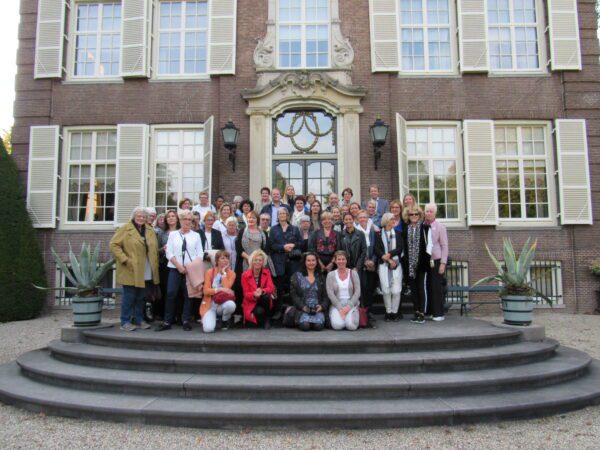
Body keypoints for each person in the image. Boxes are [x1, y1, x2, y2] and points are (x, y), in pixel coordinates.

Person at [109, 207, 160, 331]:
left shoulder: (150, 230)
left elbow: (153, 248)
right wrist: (125, 259)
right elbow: (114, 244)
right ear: (134, 217)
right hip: (130, 267)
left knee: (141, 296)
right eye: (139, 216)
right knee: (129, 296)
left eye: (143, 216)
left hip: (146, 267)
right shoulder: (125, 228)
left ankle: (138, 319)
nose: (141, 218)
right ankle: (125, 321)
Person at [155, 209, 204, 332]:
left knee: (188, 295)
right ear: (180, 220)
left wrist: (190, 266)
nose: (187, 222)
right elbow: (169, 252)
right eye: (184, 219)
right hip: (174, 269)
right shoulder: (173, 235)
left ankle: (186, 321)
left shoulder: (196, 235)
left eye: (189, 219)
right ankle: (167, 321)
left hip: (190, 270)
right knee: (171, 293)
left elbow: (200, 254)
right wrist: (178, 266)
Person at [269, 207, 303, 315]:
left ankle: (294, 311)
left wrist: (293, 245)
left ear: (287, 215)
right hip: (278, 262)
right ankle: (278, 311)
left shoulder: (295, 229)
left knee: (293, 287)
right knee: (278, 287)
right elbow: (271, 245)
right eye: (280, 213)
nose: (282, 215)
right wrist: (283, 247)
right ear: (277, 216)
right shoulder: (273, 229)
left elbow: (301, 243)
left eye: (284, 213)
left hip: (293, 262)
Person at [402, 206, 432, 325]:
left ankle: (422, 313)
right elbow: (404, 247)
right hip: (410, 265)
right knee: (413, 289)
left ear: (420, 215)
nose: (414, 216)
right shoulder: (406, 229)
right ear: (408, 216)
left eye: (416, 214)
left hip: (422, 264)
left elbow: (430, 246)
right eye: (411, 214)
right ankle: (416, 311)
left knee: (421, 288)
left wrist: (426, 259)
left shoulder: (425, 228)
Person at [375, 213, 404, 321]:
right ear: (386, 220)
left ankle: (395, 312)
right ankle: (388, 312)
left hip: (396, 265)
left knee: (396, 290)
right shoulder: (378, 234)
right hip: (383, 265)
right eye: (391, 219)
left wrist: (390, 255)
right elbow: (377, 249)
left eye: (394, 219)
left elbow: (400, 248)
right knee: (386, 290)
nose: (394, 220)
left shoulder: (398, 233)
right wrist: (387, 259)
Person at [290, 252, 328, 331]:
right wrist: (302, 307)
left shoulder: (321, 276)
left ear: (316, 262)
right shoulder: (297, 276)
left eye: (313, 260)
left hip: (317, 309)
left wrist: (322, 306)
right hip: (303, 309)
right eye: (308, 260)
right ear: (304, 262)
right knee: (305, 326)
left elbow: (326, 295)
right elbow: (294, 295)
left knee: (318, 326)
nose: (311, 263)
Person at [201, 250, 237, 332]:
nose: (225, 260)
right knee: (208, 329)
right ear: (217, 261)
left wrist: (224, 273)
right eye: (222, 258)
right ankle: (212, 319)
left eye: (227, 258)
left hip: (223, 303)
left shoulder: (232, 274)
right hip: (210, 305)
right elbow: (205, 291)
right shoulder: (209, 272)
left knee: (231, 305)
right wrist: (219, 289)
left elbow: (227, 287)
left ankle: (224, 320)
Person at [424, 203, 448, 322]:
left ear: (435, 213)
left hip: (436, 260)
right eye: (427, 211)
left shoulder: (440, 227)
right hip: (425, 261)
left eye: (431, 211)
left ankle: (438, 313)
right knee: (427, 286)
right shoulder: (422, 225)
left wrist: (443, 263)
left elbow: (444, 245)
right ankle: (429, 311)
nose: (428, 213)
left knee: (436, 287)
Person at [326, 251, 360, 331]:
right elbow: (330, 293)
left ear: (346, 260)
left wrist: (348, 307)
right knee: (337, 325)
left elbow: (358, 292)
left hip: (351, 303)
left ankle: (350, 316)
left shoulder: (353, 273)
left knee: (351, 326)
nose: (341, 261)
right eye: (339, 259)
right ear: (335, 261)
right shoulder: (330, 275)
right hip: (337, 304)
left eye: (343, 259)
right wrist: (340, 308)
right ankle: (342, 317)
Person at [241, 250, 276, 329]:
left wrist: (262, 291)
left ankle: (267, 319)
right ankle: (255, 318)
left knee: (266, 296)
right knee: (258, 313)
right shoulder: (244, 275)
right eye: (255, 260)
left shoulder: (267, 272)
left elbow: (271, 288)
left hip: (263, 300)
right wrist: (254, 294)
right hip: (251, 301)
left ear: (263, 262)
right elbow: (246, 294)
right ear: (252, 261)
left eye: (260, 260)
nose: (257, 262)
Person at [156, 209, 180, 321]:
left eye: (173, 216)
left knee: (179, 290)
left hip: (179, 263)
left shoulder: (181, 232)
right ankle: (167, 316)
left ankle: (178, 315)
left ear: (177, 218)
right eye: (169, 216)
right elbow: (157, 250)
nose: (171, 218)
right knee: (167, 290)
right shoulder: (162, 233)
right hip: (165, 264)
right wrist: (163, 249)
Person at [356, 209, 378, 327]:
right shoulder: (356, 232)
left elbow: (376, 248)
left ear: (368, 218)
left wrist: (373, 261)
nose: (363, 219)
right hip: (361, 265)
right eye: (360, 217)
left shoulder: (372, 231)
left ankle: (369, 312)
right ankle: (362, 314)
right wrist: (364, 262)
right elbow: (358, 250)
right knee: (363, 288)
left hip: (372, 265)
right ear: (357, 219)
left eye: (364, 217)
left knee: (370, 288)